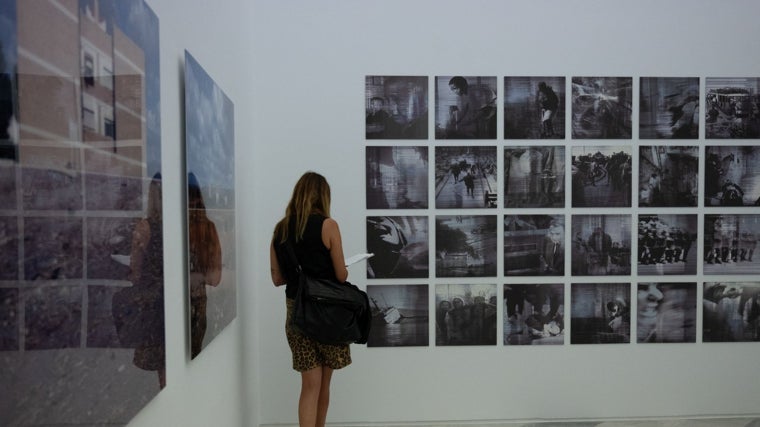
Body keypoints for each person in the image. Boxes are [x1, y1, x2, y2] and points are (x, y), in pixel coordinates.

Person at [270, 172, 350, 427]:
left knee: (309, 386)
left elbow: (277, 278)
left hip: (296, 312)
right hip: (327, 315)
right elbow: (341, 275)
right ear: (323, 196)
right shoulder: (329, 226)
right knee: (324, 383)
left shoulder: (280, 229)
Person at [126, 172, 166, 389]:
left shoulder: (145, 227)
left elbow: (136, 269)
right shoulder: (183, 225)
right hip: (181, 301)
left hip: (155, 305)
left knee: (164, 370)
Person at [188, 173, 223, 359]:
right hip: (194, 305)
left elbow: (215, 277)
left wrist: (197, 277)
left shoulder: (207, 229)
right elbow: (215, 277)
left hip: (194, 306)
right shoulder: (207, 228)